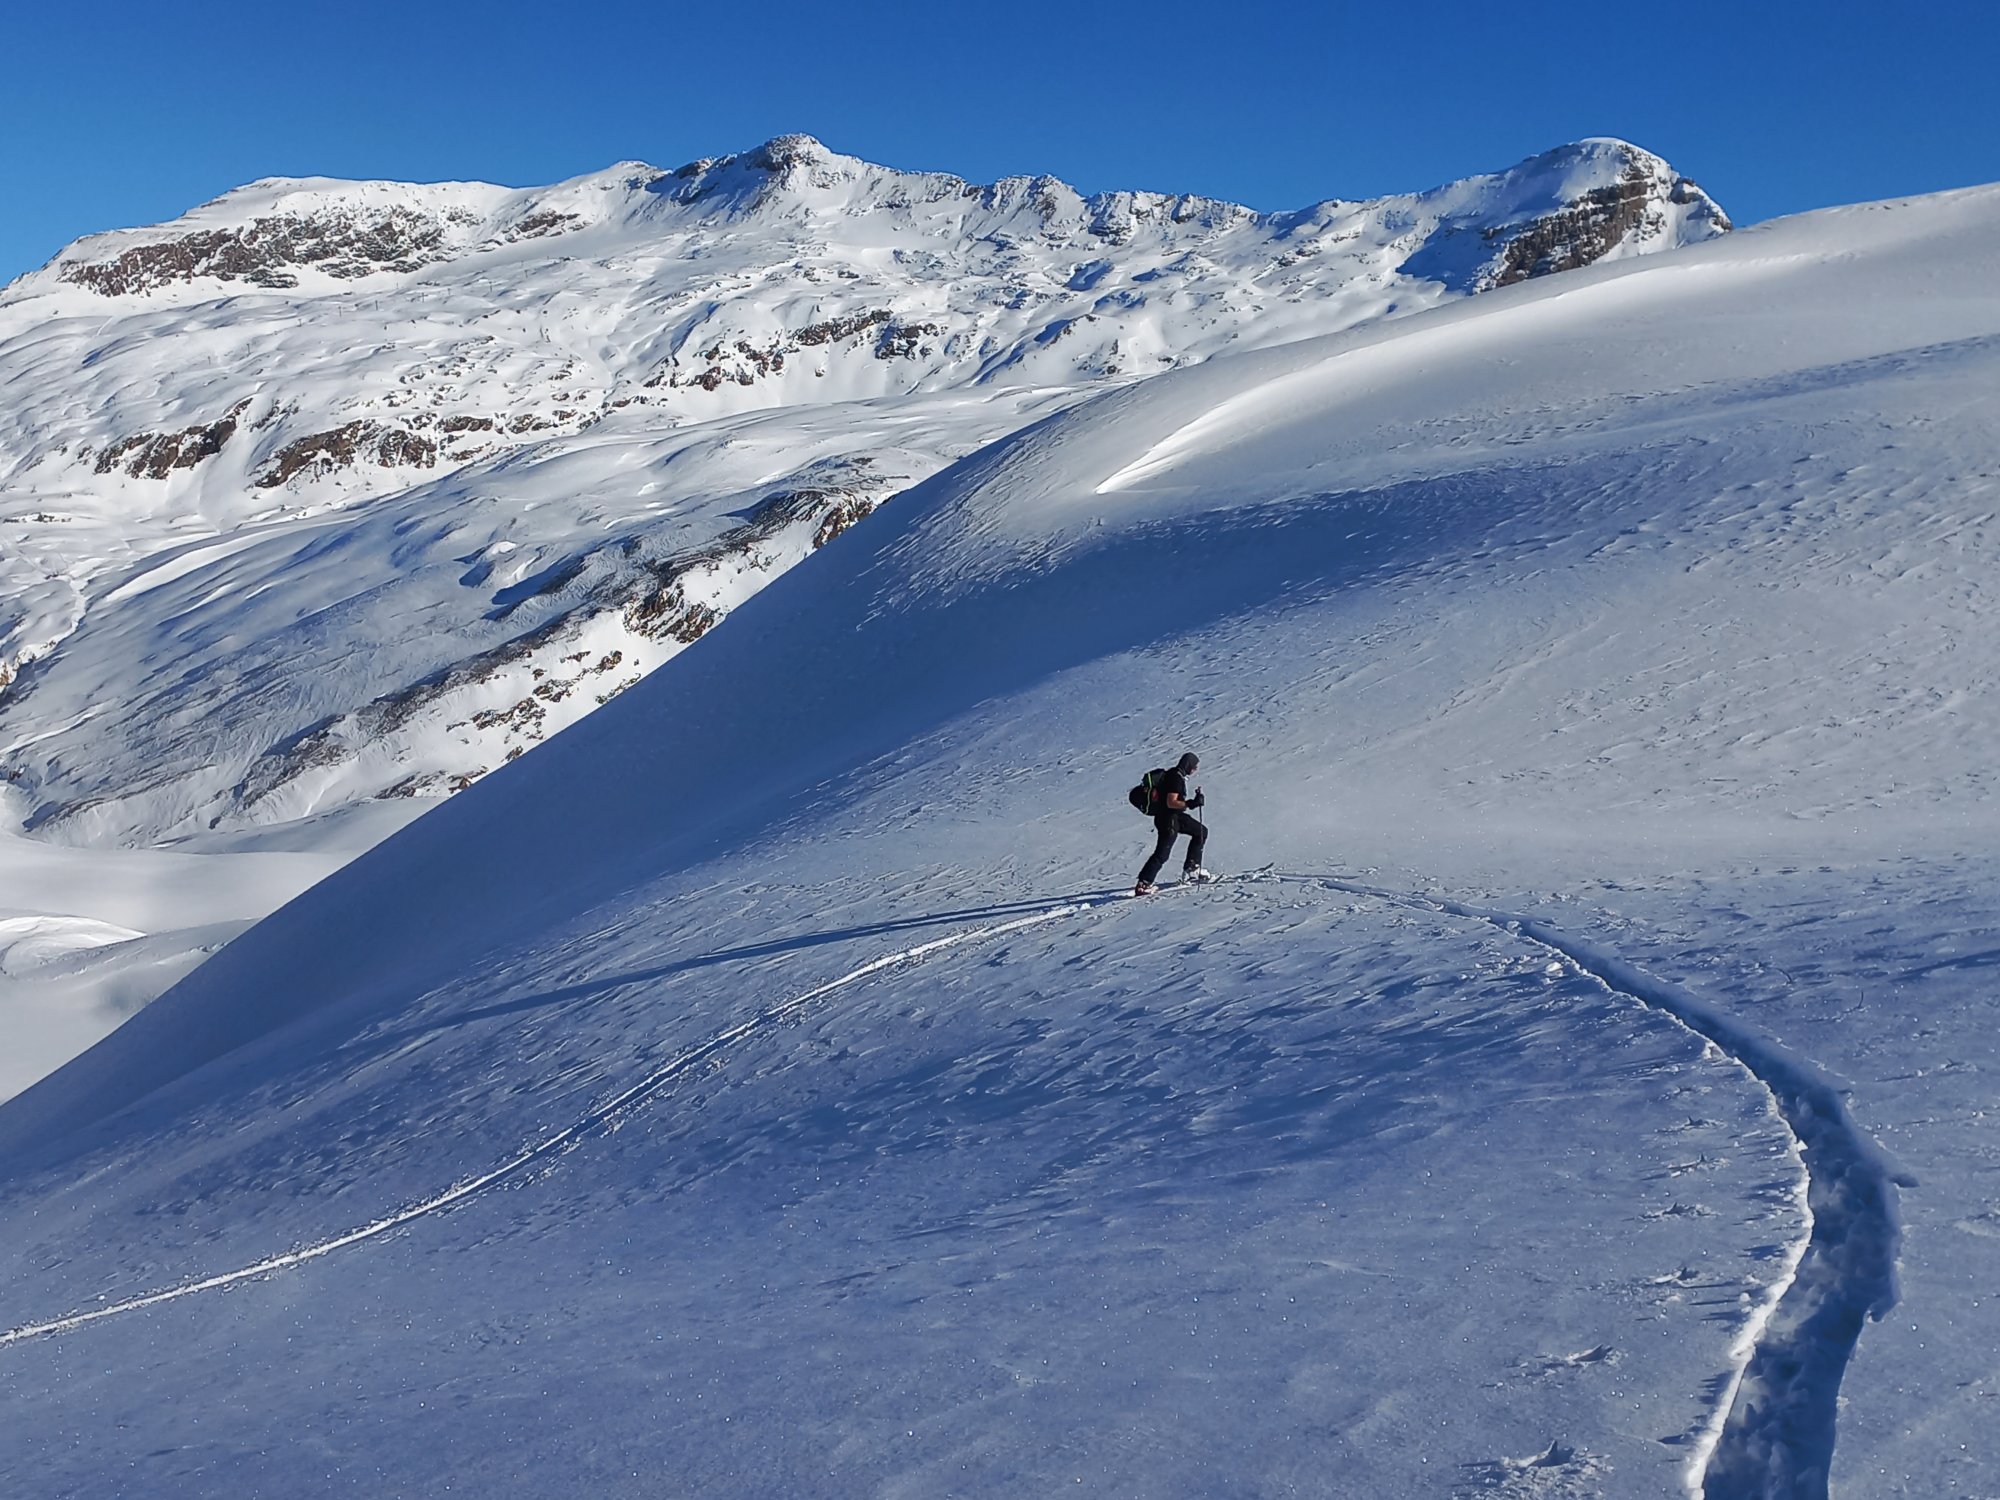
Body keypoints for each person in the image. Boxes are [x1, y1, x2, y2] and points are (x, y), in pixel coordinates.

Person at [1134, 752, 1214, 895]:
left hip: (1174, 817)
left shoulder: (1175, 775)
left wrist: (1192, 802)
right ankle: (1143, 884)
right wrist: (1191, 803)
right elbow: (1171, 802)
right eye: (1194, 766)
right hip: (1168, 819)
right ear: (1188, 765)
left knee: (1201, 831)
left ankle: (1192, 867)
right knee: (1162, 853)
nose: (1195, 770)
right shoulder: (1175, 777)